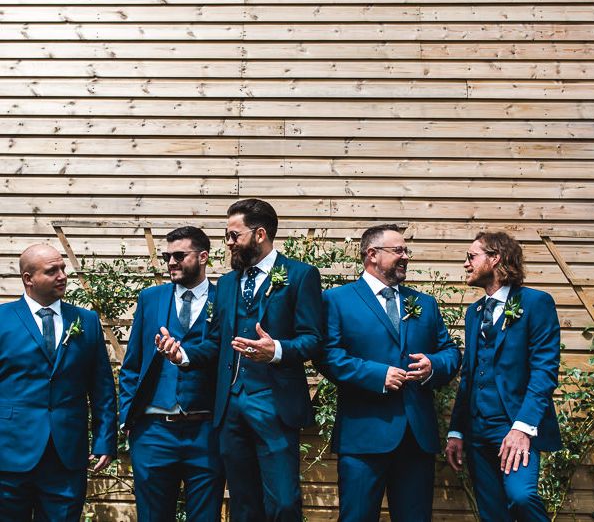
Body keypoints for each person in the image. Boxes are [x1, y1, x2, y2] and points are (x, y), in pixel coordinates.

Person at [157, 198, 323, 522]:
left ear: (259, 234)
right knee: (244, 507)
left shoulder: (301, 276)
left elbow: (314, 341)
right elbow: (217, 343)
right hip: (230, 408)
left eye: (234, 235)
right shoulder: (228, 283)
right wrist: (184, 355)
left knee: (284, 503)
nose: (228, 243)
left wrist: (275, 350)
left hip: (274, 405)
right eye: (227, 235)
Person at [318, 224, 461, 522]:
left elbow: (450, 352)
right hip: (363, 436)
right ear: (372, 254)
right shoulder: (337, 300)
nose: (406, 256)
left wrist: (433, 365)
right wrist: (376, 375)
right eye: (399, 250)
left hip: (416, 437)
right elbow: (327, 356)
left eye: (406, 250)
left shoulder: (423, 303)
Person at [445, 231, 561, 522]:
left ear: (495, 258)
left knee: (521, 496)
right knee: (492, 513)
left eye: (471, 257)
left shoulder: (536, 303)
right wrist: (457, 430)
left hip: (515, 425)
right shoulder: (474, 312)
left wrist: (522, 428)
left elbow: (544, 371)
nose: (466, 264)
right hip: (477, 430)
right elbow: (469, 375)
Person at [0, 244, 117, 521]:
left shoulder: (85, 321)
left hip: (66, 455)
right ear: (28, 279)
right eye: (52, 271)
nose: (62, 275)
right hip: (9, 454)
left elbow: (101, 387)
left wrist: (104, 440)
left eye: (63, 268)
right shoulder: (2, 319)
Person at [119, 226, 224, 522]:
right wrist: (128, 418)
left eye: (180, 255)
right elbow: (132, 365)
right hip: (154, 432)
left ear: (203, 257)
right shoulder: (151, 298)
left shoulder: (225, 300)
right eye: (167, 256)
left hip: (206, 431)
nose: (171, 262)